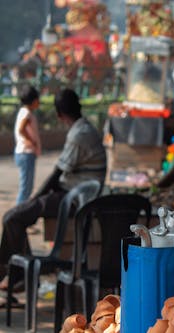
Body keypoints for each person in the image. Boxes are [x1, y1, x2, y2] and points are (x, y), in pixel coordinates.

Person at [0, 88, 106, 289]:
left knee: (12, 218)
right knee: (15, 217)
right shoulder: (84, 129)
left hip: (74, 197)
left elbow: (56, 175)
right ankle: (16, 275)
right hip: (73, 192)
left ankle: (16, 276)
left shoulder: (79, 134)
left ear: (59, 114)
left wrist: (36, 198)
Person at [14, 85, 41, 204]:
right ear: (33, 100)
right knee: (26, 189)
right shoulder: (27, 113)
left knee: (27, 187)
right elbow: (21, 129)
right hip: (26, 153)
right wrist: (32, 141)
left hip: (24, 153)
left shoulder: (24, 112)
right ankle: (18, 213)